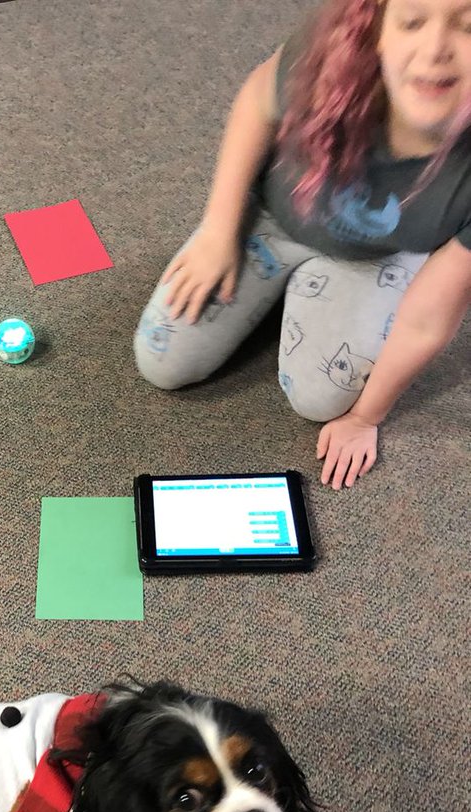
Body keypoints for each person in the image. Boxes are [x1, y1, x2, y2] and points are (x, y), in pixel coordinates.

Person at [134, 0, 471, 489]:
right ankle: (292, 284)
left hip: (376, 255)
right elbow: (256, 102)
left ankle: (334, 283)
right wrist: (218, 229)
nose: (435, 48)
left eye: (467, 25)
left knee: (320, 399)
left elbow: (429, 318)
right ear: (376, 31)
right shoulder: (332, 56)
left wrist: (365, 419)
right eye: (413, 21)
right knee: (163, 362)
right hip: (273, 218)